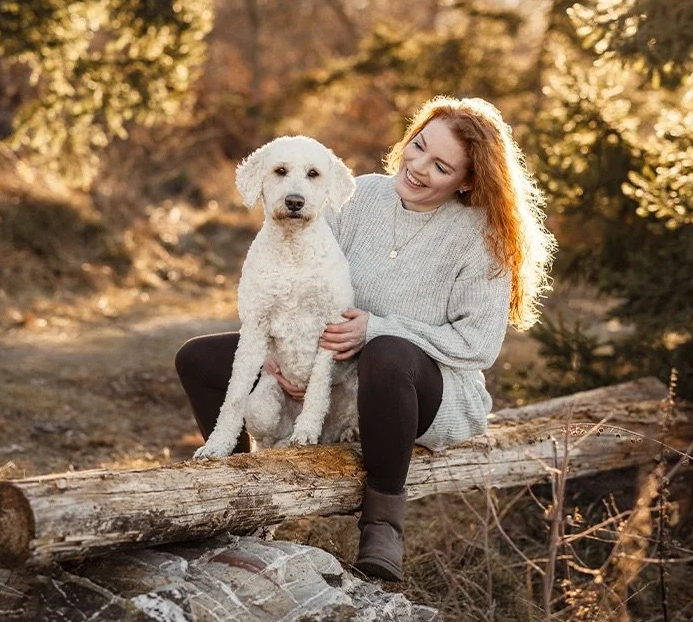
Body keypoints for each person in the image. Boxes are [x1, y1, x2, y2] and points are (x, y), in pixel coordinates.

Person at [174, 96, 555, 581]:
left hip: (421, 386)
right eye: (417, 147)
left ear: (468, 181)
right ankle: (239, 499)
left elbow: (478, 344)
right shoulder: (360, 196)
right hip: (333, 368)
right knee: (199, 359)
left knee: (387, 353)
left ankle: (382, 524)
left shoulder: (483, 236)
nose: (417, 167)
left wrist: (377, 327)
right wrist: (277, 356)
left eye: (440, 166)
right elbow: (294, 267)